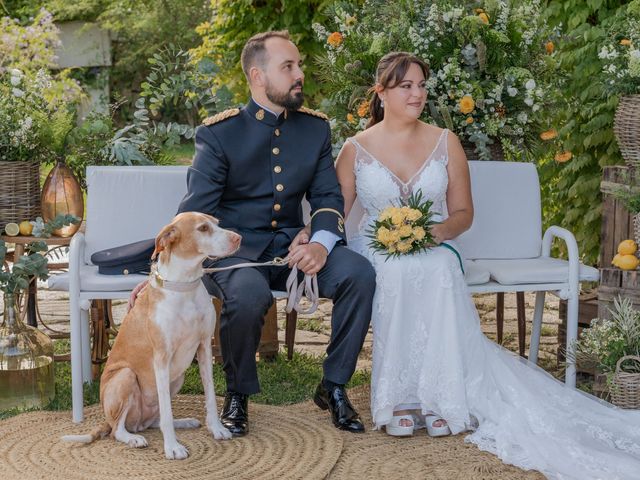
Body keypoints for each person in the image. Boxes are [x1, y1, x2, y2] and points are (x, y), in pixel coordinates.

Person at [327, 51, 640, 479]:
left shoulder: (444, 140)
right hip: (375, 245)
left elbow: (463, 214)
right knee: (397, 272)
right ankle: (399, 399)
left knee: (436, 269)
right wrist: (323, 243)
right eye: (407, 86)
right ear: (380, 93)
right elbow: (337, 213)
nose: (418, 93)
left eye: (421, 85)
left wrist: (432, 233)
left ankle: (440, 397)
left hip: (435, 241)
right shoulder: (355, 148)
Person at [131, 31, 375, 437]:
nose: (300, 74)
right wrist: (163, 270)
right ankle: (238, 393)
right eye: (289, 67)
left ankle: (333, 386)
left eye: (298, 65)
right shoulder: (220, 134)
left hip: (296, 249)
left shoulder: (314, 130)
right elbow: (197, 211)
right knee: (248, 295)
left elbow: (328, 196)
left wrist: (320, 241)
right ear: (258, 76)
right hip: (236, 253)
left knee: (359, 274)